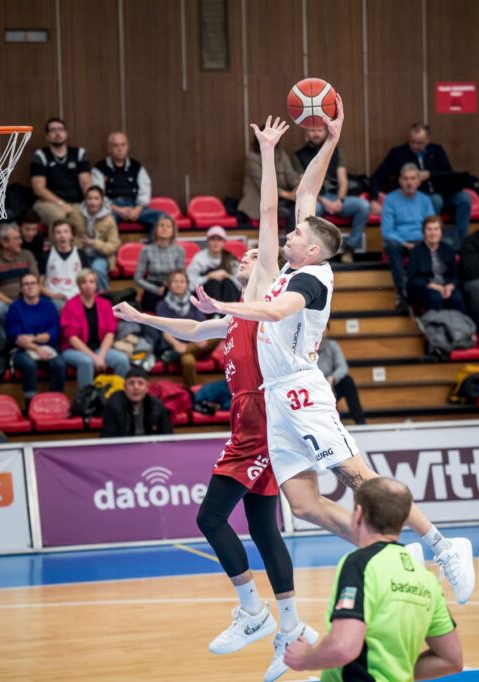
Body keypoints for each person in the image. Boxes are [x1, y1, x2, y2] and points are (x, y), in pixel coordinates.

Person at [191, 98, 475, 623]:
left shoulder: (311, 278)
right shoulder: (290, 264)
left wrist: (224, 306)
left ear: (314, 250)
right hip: (274, 400)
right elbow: (301, 193)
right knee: (304, 506)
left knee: (357, 477)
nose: (292, 233)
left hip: (300, 390)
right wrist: (318, 142)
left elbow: (275, 312)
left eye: (299, 234)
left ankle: (442, 544)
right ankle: (395, 554)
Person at [114, 117, 309, 682]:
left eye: (253, 256)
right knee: (264, 528)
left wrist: (267, 152)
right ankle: (291, 628)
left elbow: (268, 214)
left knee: (209, 517)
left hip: (261, 420)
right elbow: (191, 329)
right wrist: (141, 317)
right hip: (253, 420)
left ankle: (253, 612)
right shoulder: (234, 317)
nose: (247, 257)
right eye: (245, 257)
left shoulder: (266, 287)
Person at [284, 477, 463, 682]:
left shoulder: (360, 564)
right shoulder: (426, 578)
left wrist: (306, 658)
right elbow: (451, 660)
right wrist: (395, 672)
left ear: (358, 514)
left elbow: (344, 647)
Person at [368, 122, 472, 240]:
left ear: (428, 140)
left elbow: (449, 174)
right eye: (412, 142)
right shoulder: (398, 153)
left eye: (419, 143)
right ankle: (431, 240)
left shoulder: (437, 150)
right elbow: (376, 177)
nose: (414, 146)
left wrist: (430, 174)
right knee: (435, 200)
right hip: (419, 197)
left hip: (444, 193)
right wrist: (374, 199)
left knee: (464, 198)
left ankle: (462, 240)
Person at [293, 124, 370, 261]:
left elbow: (343, 180)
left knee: (363, 206)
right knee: (310, 213)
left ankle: (350, 248)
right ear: (306, 132)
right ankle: (315, 253)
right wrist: (325, 202)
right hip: (316, 199)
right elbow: (304, 185)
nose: (316, 133)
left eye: (319, 130)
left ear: (325, 131)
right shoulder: (298, 156)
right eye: (312, 130)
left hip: (336, 196)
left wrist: (340, 200)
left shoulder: (336, 151)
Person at [61, 269, 130, 388]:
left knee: (122, 360)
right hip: (73, 350)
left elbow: (110, 332)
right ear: (78, 285)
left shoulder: (105, 304)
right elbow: (72, 338)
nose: (88, 285)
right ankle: (86, 397)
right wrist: (95, 358)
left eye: (91, 282)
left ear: (96, 284)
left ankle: (116, 393)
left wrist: (101, 356)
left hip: (99, 348)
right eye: (84, 282)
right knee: (86, 362)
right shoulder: (70, 305)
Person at [381, 164, 437, 309]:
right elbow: (386, 231)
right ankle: (402, 292)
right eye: (405, 179)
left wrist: (423, 241)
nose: (409, 182)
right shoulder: (390, 199)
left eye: (412, 178)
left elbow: (431, 224)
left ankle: (425, 292)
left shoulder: (425, 200)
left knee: (433, 244)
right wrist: (404, 243)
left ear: (418, 181)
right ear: (400, 181)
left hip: (421, 240)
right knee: (391, 245)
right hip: (399, 242)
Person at [7, 273, 66, 407]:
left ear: (39, 287)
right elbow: (17, 337)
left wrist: (34, 338)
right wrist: (37, 348)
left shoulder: (49, 306)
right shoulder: (15, 307)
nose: (30, 287)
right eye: (26, 284)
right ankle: (31, 405)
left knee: (60, 364)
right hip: (21, 350)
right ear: (21, 288)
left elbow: (53, 333)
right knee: (29, 365)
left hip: (48, 347)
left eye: (33, 283)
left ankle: (55, 403)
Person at [155, 271, 220, 386]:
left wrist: (200, 338)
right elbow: (164, 330)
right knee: (188, 361)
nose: (179, 284)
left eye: (182, 281)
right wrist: (176, 344)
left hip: (198, 342)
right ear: (169, 285)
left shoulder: (193, 301)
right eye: (175, 281)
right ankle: (194, 391)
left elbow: (202, 323)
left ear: (186, 284)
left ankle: (178, 353)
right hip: (178, 346)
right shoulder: (162, 305)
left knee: (219, 332)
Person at [30, 118, 91, 237]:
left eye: (60, 129)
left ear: (66, 133)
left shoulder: (79, 153)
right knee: (59, 217)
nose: (57, 133)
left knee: (80, 219)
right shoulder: (40, 155)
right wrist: (61, 203)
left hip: (75, 202)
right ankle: (57, 249)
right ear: (47, 136)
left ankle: (78, 248)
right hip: (47, 203)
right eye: (53, 130)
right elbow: (38, 189)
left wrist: (92, 202)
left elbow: (86, 183)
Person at [91, 131, 164, 231]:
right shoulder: (99, 168)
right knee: (107, 221)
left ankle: (153, 242)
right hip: (111, 208)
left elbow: (145, 190)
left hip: (134, 206)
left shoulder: (137, 167)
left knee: (163, 218)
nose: (120, 149)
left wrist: (137, 209)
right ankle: (113, 242)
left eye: (123, 145)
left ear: (128, 147)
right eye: (115, 145)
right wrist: (118, 210)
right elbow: (97, 195)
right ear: (109, 149)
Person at [0, 223, 40, 342]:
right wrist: (13, 304)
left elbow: (36, 282)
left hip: (28, 299)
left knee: (56, 305)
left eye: (20, 238)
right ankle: (4, 342)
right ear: (4, 242)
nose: (21, 241)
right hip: (5, 302)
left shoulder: (27, 255)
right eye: (16, 239)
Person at [405, 215, 464, 314]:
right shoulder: (415, 251)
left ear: (441, 232)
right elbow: (412, 279)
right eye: (429, 229)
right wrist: (433, 286)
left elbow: (456, 275)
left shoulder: (448, 249)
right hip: (425, 288)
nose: (433, 233)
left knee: (457, 297)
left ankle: (458, 323)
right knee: (435, 297)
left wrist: (450, 286)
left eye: (436, 229)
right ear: (424, 232)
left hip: (445, 285)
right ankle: (436, 323)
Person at [239, 133, 300, 227]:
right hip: (261, 201)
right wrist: (290, 195)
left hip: (284, 199)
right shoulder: (252, 158)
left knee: (300, 207)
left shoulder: (281, 155)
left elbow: (291, 177)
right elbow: (265, 186)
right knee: (290, 211)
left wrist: (297, 187)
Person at [99, 365, 173, 437]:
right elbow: (108, 438)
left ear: (147, 388)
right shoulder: (113, 406)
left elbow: (167, 436)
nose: (136, 387)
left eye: (140, 383)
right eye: (131, 383)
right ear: (124, 387)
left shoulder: (157, 406)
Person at [133, 214, 185, 313]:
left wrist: (172, 288)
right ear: (156, 229)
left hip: (173, 287)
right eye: (161, 226)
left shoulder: (179, 250)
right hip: (152, 288)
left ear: (173, 231)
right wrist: (155, 289)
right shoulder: (146, 250)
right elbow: (137, 278)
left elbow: (181, 275)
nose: (164, 228)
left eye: (168, 226)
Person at [317, 328, 367, 425]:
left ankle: (361, 422)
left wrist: (332, 378)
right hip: (314, 387)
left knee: (347, 381)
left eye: (324, 327)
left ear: (327, 330)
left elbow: (343, 367)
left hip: (331, 386)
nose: (321, 330)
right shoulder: (307, 347)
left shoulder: (332, 345)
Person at [38, 219, 88, 311]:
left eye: (65, 232)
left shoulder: (81, 254)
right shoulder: (45, 256)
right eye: (58, 232)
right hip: (53, 298)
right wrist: (52, 295)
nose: (62, 235)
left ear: (71, 235)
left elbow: (87, 279)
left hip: (77, 297)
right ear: (53, 236)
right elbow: (39, 285)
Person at [79, 185, 120, 291]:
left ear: (101, 201)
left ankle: (103, 296)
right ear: (85, 200)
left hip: (101, 255)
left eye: (96, 199)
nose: (92, 202)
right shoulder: (78, 215)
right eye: (89, 198)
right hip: (81, 254)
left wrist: (93, 243)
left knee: (97, 269)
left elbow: (113, 245)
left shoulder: (109, 219)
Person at [187, 226, 243, 305]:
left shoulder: (230, 258)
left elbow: (241, 284)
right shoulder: (198, 259)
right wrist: (208, 277)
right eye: (213, 239)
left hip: (229, 293)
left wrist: (227, 276)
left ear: (224, 242)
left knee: (228, 282)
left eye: (219, 239)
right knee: (213, 283)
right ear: (207, 241)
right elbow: (190, 284)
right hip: (207, 295)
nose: (216, 243)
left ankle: (230, 310)